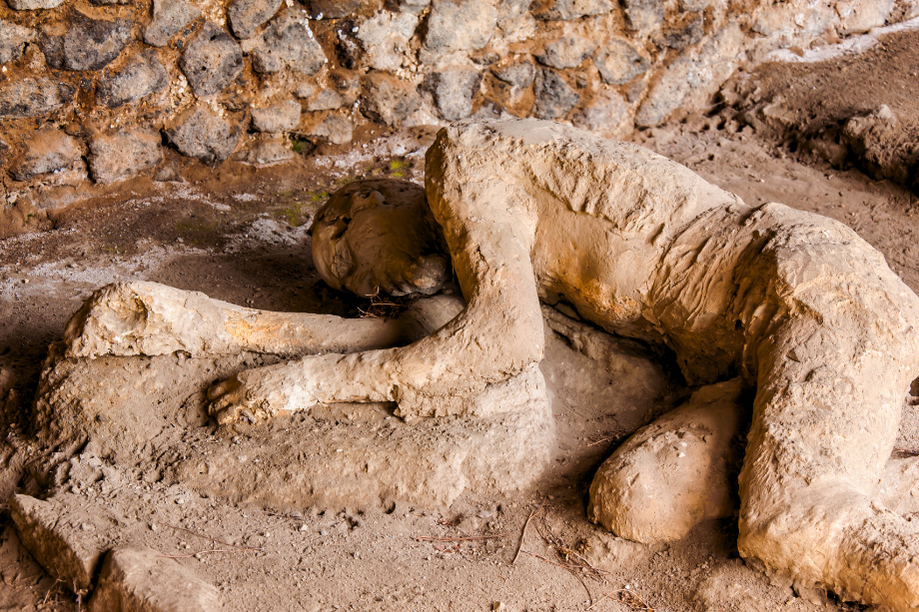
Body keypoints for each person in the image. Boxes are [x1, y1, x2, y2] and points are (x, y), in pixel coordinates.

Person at [73, 120, 919, 609]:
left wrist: (305, 386)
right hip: (732, 354)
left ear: (367, 198)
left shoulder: (467, 162)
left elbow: (502, 344)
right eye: (357, 293)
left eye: (346, 257)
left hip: (806, 292)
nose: (371, 289)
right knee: (633, 501)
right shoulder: (496, 248)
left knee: (791, 523)